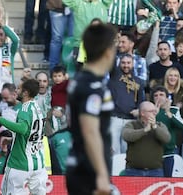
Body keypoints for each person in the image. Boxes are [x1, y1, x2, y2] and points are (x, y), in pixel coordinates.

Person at [65, 24, 117, 194]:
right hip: (88, 171)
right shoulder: (92, 87)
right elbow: (90, 131)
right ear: (108, 51)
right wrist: (101, 174)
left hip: (82, 166)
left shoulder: (80, 81)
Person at [0, 79, 47, 194]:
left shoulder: (25, 109)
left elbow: (23, 129)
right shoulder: (39, 108)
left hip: (20, 163)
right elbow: (31, 133)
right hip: (38, 163)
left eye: (18, 88)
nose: (16, 91)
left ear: (26, 92)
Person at [122, 101, 171, 177]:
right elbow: (126, 136)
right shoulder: (132, 124)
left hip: (155, 172)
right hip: (133, 171)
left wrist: (155, 127)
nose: (154, 113)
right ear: (142, 113)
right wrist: (144, 130)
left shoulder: (160, 125)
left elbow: (167, 139)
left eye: (155, 111)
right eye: (151, 111)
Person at [108, 54, 145, 154]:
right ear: (119, 64)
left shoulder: (139, 81)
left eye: (128, 63)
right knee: (113, 150)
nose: (126, 65)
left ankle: (125, 170)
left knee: (127, 151)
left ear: (133, 64)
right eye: (123, 63)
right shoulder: (115, 75)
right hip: (115, 118)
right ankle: (114, 170)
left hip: (130, 120)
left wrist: (139, 110)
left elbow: (141, 101)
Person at [151, 86, 183, 177]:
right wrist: (154, 114)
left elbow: (181, 126)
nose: (158, 97)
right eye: (156, 95)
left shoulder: (174, 110)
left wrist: (169, 113)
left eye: (161, 95)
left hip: (168, 153)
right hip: (153, 152)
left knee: (167, 180)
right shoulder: (149, 110)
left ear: (166, 98)